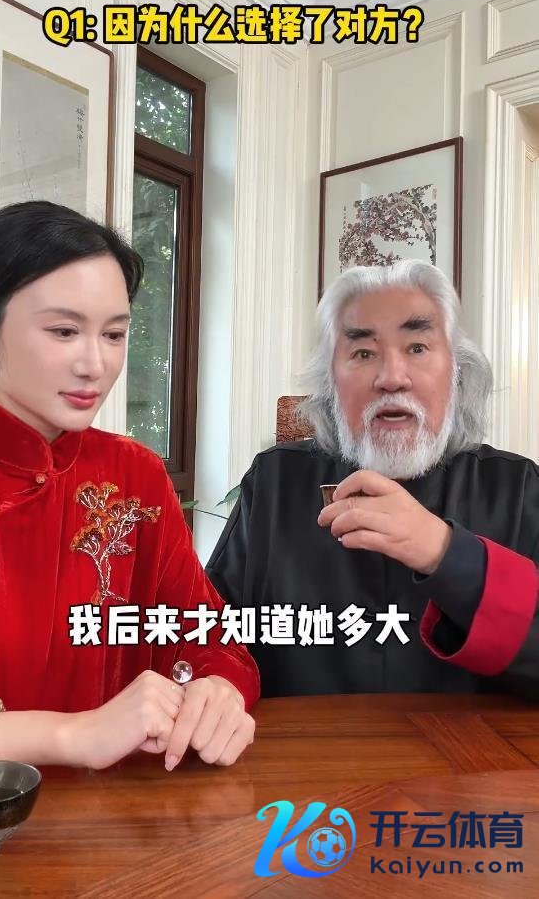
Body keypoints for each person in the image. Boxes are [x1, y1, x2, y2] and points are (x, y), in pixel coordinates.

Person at [0, 201, 259, 772]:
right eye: (64, 331)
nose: (95, 364)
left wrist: (218, 689)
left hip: (120, 812)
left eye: (113, 334)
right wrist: (69, 735)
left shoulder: (135, 475)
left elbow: (208, 637)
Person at [206, 260, 538, 700]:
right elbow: (209, 635)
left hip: (468, 747)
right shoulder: (276, 481)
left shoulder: (515, 488)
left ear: (457, 372)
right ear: (330, 380)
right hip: (299, 744)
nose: (391, 378)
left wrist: (444, 552)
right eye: (363, 353)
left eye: (417, 347)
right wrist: (216, 683)